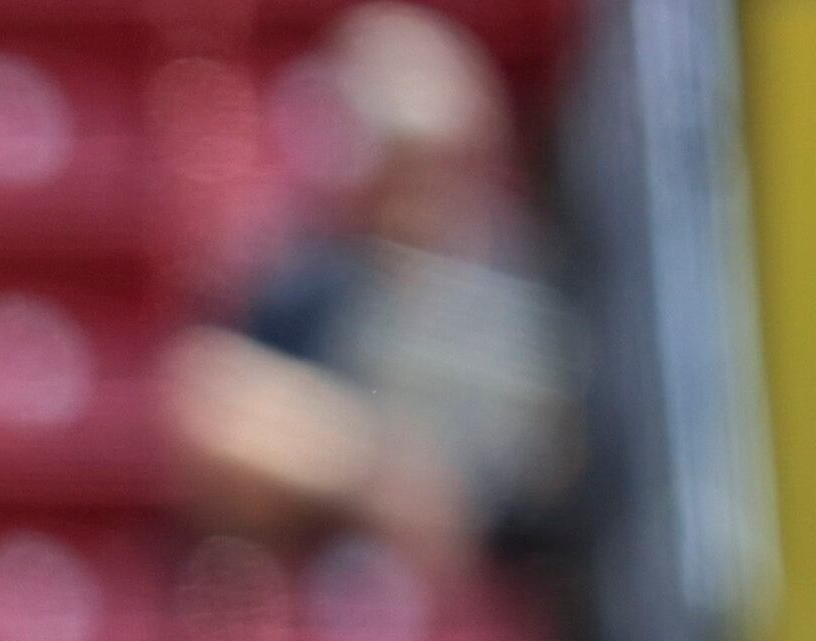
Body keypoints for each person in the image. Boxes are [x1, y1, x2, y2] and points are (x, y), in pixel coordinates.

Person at [167, 3, 574, 585]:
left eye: (437, 168)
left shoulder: (523, 283)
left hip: (491, 600)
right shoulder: (307, 279)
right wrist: (370, 467)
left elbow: (540, 479)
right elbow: (204, 403)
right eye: (396, 166)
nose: (417, 200)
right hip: (318, 586)